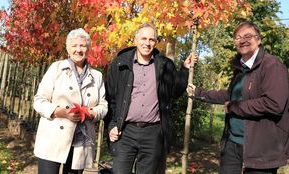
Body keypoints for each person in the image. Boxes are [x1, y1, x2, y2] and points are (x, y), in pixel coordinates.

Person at [188, 21, 289, 174]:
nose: (243, 40)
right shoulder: (241, 68)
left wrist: (235, 107)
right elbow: (231, 94)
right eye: (238, 37)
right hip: (233, 144)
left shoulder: (273, 66)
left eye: (248, 36)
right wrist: (199, 93)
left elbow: (274, 104)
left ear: (259, 40)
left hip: (261, 149)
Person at [105, 22, 196, 174]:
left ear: (156, 42)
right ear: (135, 40)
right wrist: (111, 125)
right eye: (143, 38)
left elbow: (175, 92)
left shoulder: (165, 65)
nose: (147, 43)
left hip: (153, 133)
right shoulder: (120, 63)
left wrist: (184, 69)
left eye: (151, 40)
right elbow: (110, 98)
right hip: (125, 132)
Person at [33, 28, 108, 174]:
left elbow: (103, 105)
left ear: (88, 49)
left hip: (81, 141)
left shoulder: (96, 76)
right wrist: (62, 112)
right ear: (68, 49)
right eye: (74, 46)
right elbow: (39, 101)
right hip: (53, 138)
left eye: (82, 46)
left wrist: (92, 113)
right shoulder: (56, 69)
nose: (78, 50)